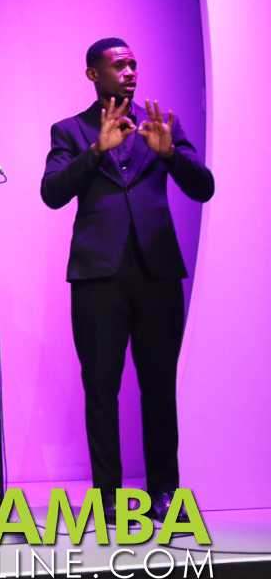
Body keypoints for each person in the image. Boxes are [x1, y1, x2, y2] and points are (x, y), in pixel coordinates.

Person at [41, 38, 214, 522]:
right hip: (98, 278)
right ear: (93, 74)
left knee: (159, 387)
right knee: (101, 389)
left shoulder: (160, 124)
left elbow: (204, 187)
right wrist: (97, 150)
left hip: (157, 274)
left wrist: (171, 155)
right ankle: (108, 498)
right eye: (119, 65)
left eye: (134, 63)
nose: (131, 71)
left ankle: (165, 493)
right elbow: (52, 193)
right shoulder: (70, 130)